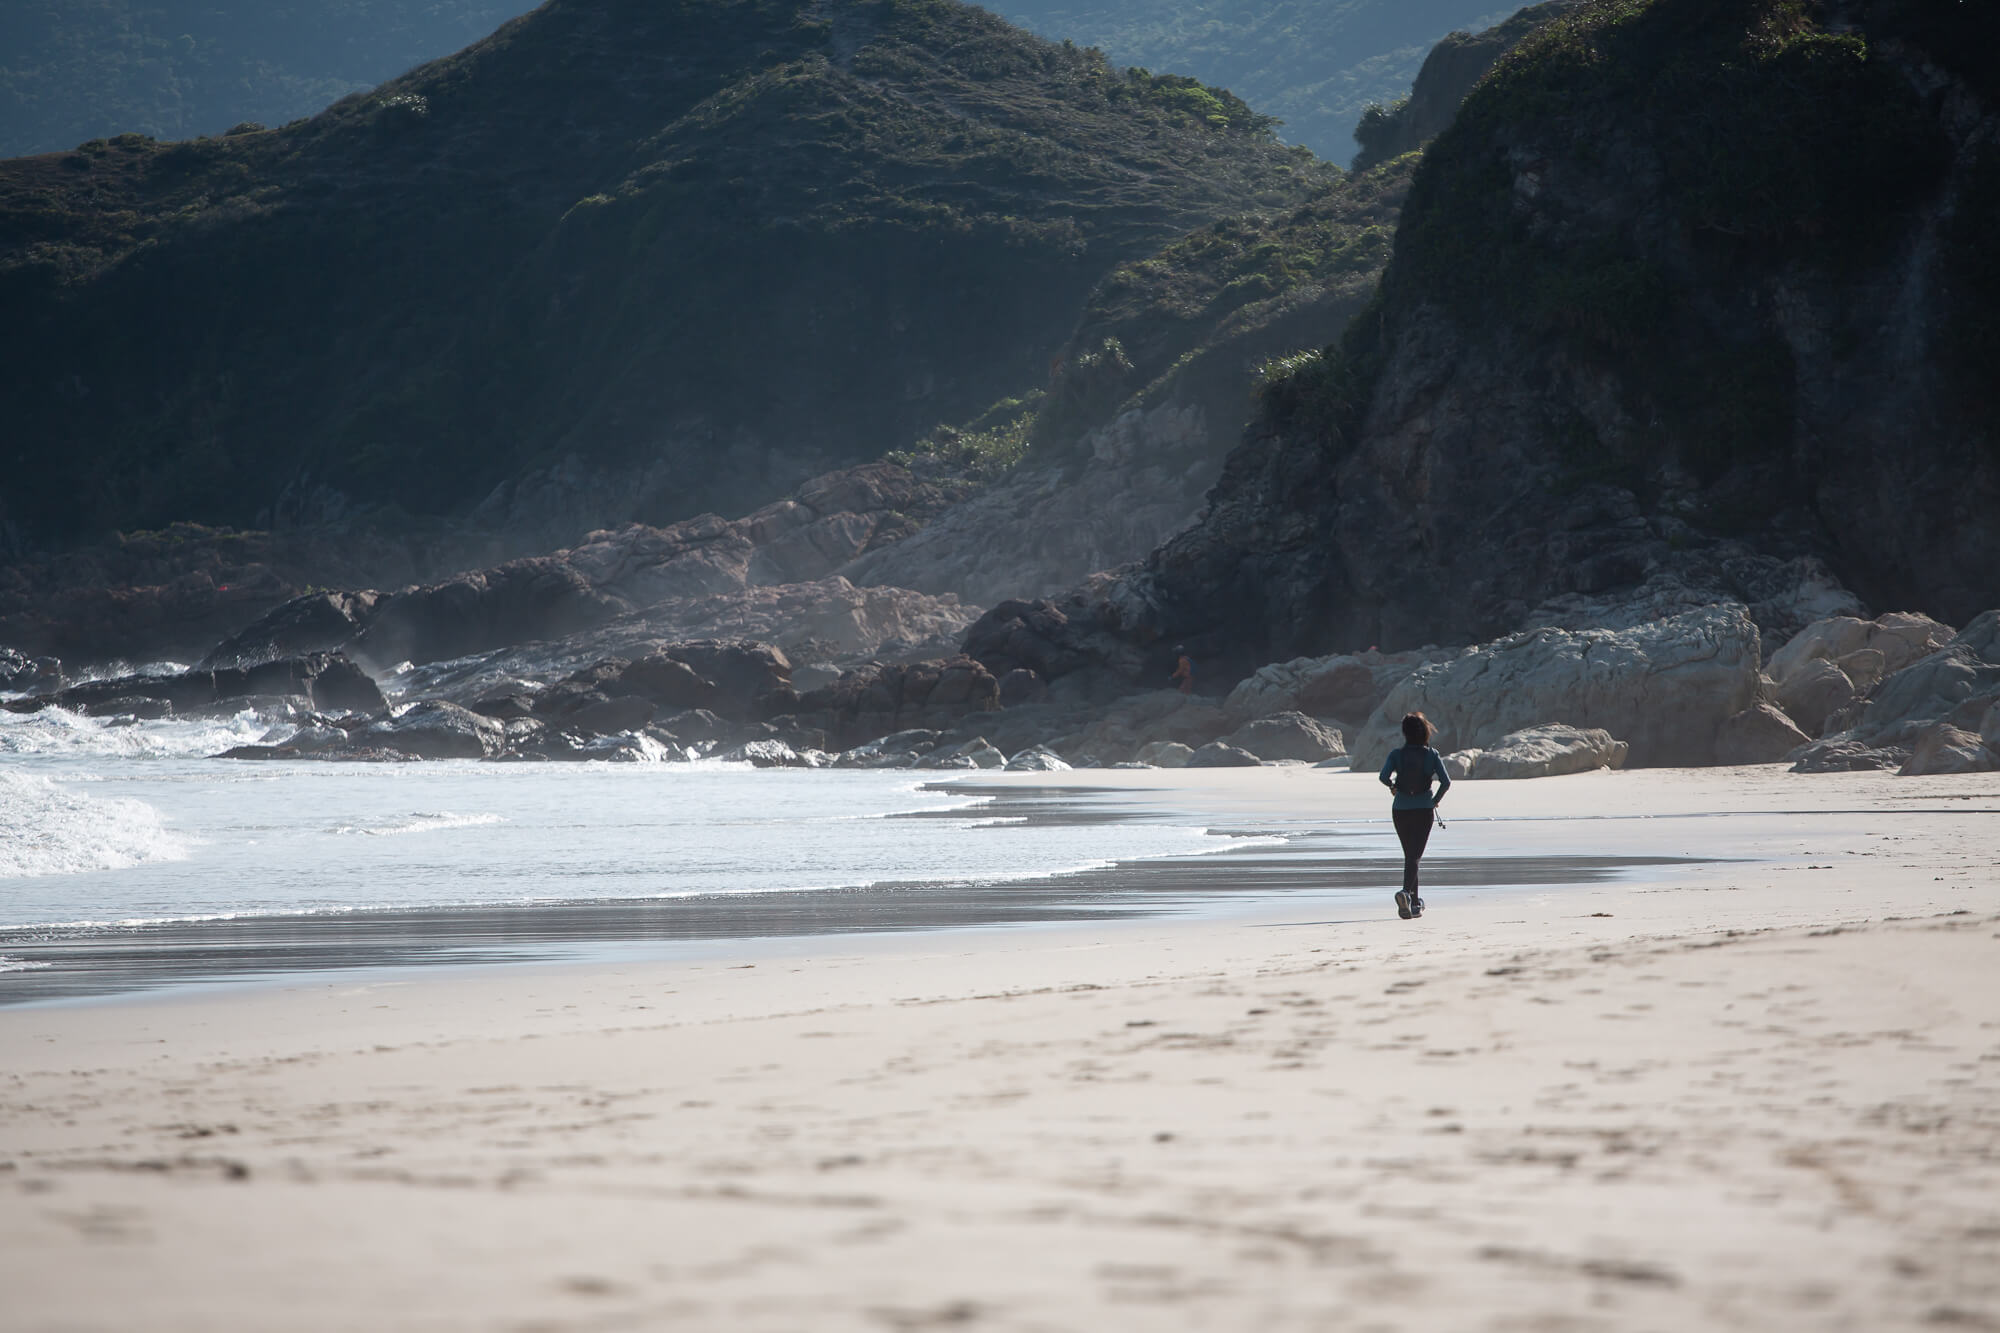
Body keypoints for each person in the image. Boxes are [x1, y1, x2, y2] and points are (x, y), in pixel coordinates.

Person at [1378, 711, 1450, 919]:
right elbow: (1446, 782)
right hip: (1423, 809)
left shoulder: (1396, 754)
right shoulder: (1432, 755)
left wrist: (1392, 786)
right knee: (1414, 857)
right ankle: (1405, 893)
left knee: (1410, 856)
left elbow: (1383, 776)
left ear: (1405, 733)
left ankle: (1414, 903)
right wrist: (1435, 800)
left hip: (1400, 809)